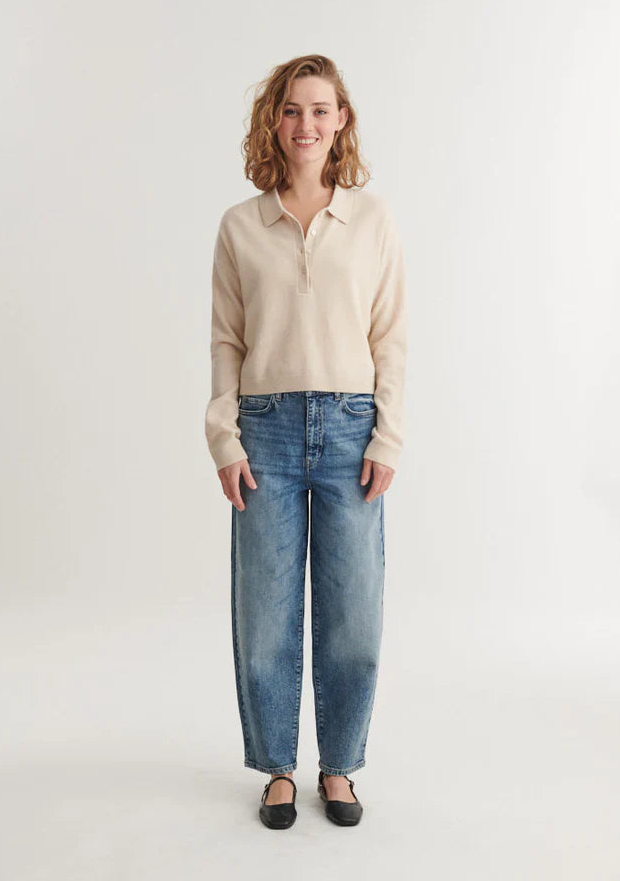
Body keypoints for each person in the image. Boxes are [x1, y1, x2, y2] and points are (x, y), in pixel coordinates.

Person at [204, 54, 407, 828]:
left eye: (321, 110)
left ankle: (340, 767)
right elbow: (226, 339)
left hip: (353, 428)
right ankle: (278, 769)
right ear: (275, 120)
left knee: (353, 610)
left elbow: (391, 335)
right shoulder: (240, 226)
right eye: (293, 109)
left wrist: (388, 436)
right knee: (266, 611)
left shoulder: (372, 220)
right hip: (265, 431)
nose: (306, 124)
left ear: (341, 120)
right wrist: (224, 437)